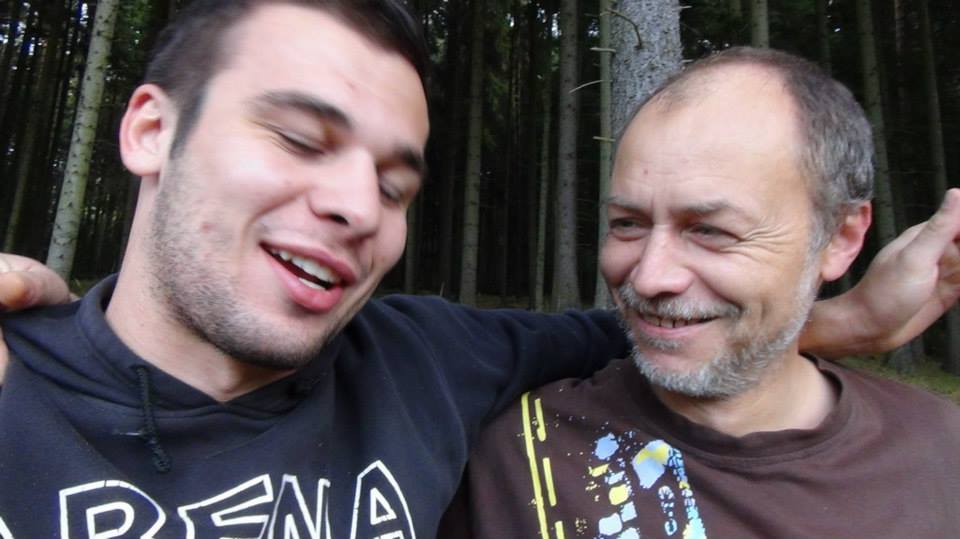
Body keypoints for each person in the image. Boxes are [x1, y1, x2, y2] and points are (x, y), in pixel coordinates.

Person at [0, 3, 958, 537]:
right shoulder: (14, 390)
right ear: (150, 129)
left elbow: (650, 332)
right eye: (298, 138)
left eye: (396, 184)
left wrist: (848, 319)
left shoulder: (424, 365)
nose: (357, 206)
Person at [442, 47, 960, 539]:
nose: (649, 278)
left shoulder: (940, 450)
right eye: (627, 223)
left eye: (711, 230)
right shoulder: (515, 459)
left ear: (840, 238)